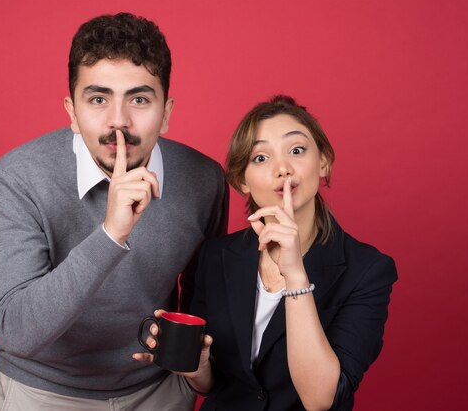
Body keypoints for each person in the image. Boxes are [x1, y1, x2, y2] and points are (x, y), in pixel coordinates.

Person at [0, 13, 228, 410]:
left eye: (139, 99)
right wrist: (111, 235)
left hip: (158, 390)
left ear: (166, 113)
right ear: (71, 111)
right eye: (98, 99)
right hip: (44, 391)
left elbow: (204, 302)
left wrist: (197, 375)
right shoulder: (18, 177)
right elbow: (17, 332)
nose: (119, 121)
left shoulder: (204, 179)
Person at [143, 95, 396, 410]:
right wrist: (199, 368)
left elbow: (321, 399)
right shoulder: (214, 256)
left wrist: (295, 274)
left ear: (324, 162)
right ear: (241, 181)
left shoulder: (368, 270)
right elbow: (215, 384)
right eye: (260, 157)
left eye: (297, 150)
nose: (283, 168)